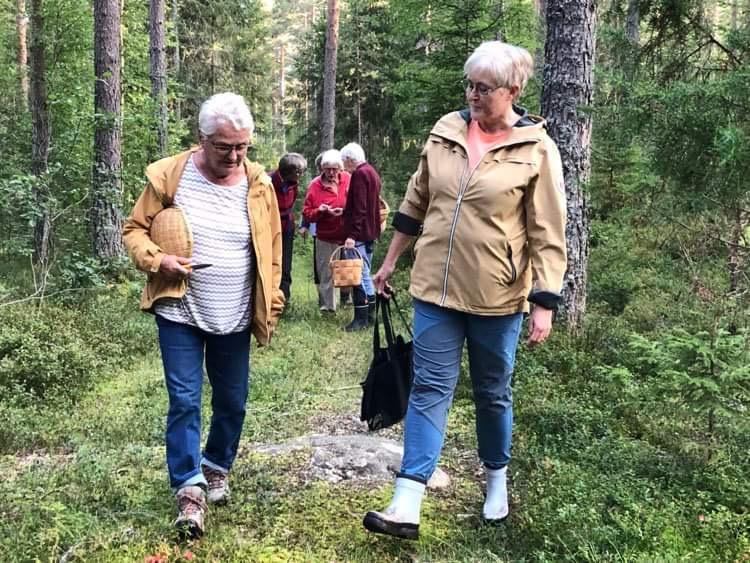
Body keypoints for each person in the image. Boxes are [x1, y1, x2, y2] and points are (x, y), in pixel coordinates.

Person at [362, 41, 567, 539]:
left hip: (497, 297)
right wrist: (389, 262)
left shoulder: (536, 149)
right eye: (469, 85)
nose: (473, 95)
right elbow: (415, 202)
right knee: (430, 387)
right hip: (435, 289)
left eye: (484, 88)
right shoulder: (446, 132)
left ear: (512, 90)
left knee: (492, 392)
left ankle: (496, 480)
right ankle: (407, 499)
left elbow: (547, 231)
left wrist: (544, 300)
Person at [122, 92, 284, 538]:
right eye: (224, 146)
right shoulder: (170, 176)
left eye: (242, 147)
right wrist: (158, 260)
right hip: (180, 312)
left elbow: (273, 246)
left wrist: (273, 299)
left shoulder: (259, 185)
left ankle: (216, 465)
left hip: (235, 315)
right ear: (202, 137)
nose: (234, 156)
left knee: (233, 401)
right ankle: (188, 488)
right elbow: (134, 230)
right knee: (184, 400)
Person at [301, 149, 351, 313]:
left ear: (340, 168)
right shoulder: (315, 185)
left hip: (346, 235)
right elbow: (307, 212)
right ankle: (328, 308)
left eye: (334, 169)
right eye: (327, 169)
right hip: (326, 236)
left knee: (347, 270)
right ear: (322, 168)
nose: (331, 173)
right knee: (326, 272)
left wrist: (345, 211)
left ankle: (347, 301)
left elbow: (357, 202)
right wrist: (320, 211)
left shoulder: (348, 179)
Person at [340, 142, 382, 331]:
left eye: (344, 162)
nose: (344, 166)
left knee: (358, 274)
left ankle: (361, 319)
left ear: (350, 159)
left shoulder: (359, 174)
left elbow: (360, 208)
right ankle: (370, 317)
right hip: (370, 232)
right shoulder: (371, 172)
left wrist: (352, 235)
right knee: (365, 273)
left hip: (360, 234)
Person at [269, 152, 308, 303]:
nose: (301, 175)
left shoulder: (293, 183)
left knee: (286, 263)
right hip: (270, 227)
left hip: (287, 227)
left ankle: (284, 297)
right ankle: (268, 295)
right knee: (270, 261)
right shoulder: (269, 181)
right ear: (292, 172)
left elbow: (290, 204)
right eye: (300, 172)